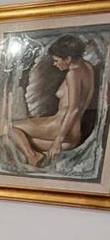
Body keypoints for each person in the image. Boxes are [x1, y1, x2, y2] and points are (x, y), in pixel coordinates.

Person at [10, 34, 95, 167]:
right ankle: (34, 155)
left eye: (56, 60)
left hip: (61, 127)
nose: (55, 64)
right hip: (74, 133)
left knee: (11, 128)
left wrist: (58, 141)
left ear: (68, 59)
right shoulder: (88, 67)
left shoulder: (73, 74)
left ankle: (32, 157)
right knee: (24, 139)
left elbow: (74, 109)